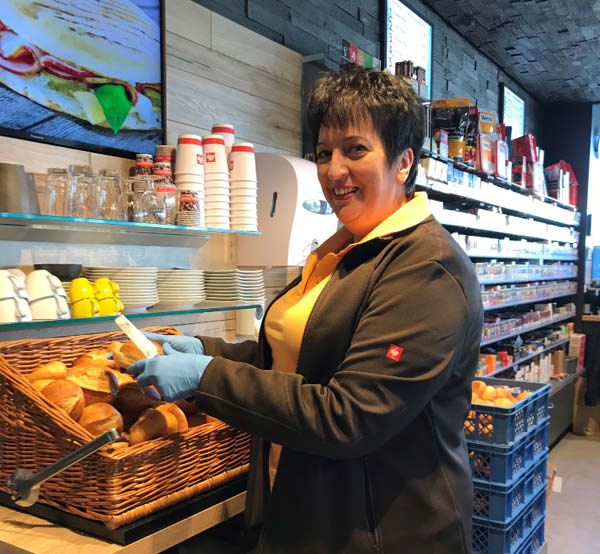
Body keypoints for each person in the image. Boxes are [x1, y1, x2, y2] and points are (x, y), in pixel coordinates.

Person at [128, 66, 484, 554]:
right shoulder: (346, 247)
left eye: (355, 150)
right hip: (309, 514)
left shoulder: (426, 269)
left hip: (383, 533)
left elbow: (349, 417)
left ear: (403, 162)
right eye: (323, 153)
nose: (333, 171)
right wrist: (209, 351)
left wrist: (207, 377)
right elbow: (306, 357)